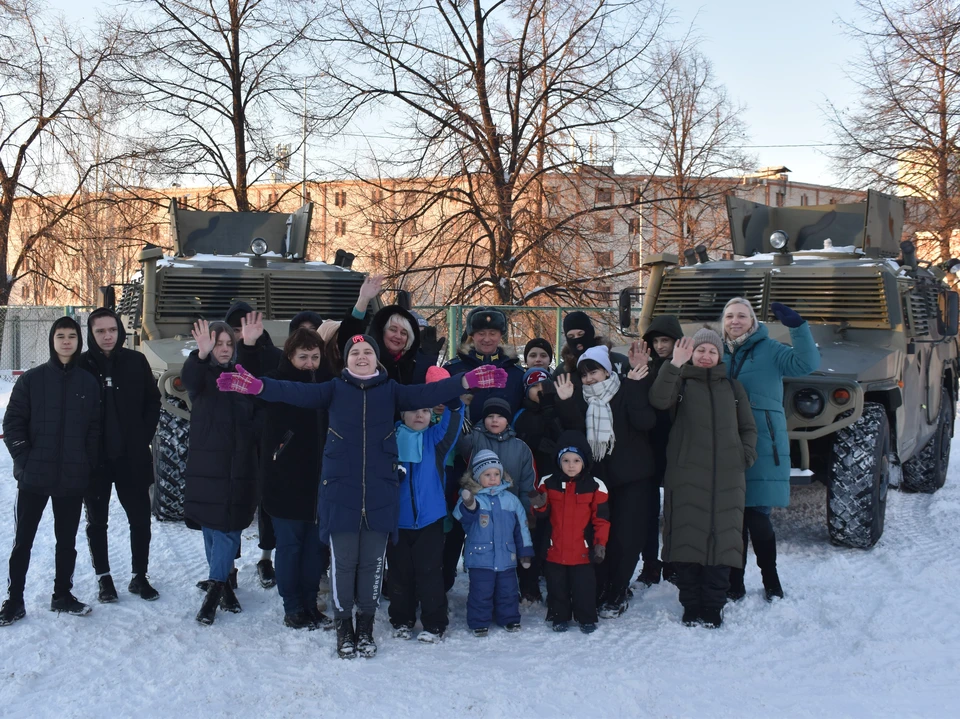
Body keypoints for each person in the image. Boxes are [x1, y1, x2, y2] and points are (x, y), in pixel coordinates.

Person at [216, 334, 507, 658]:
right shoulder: (334, 389)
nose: (362, 356)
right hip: (342, 496)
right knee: (343, 567)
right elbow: (295, 391)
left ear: (377, 358)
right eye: (355, 352)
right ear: (346, 359)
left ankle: (365, 628)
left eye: (368, 351)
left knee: (371, 567)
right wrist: (259, 387)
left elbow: (429, 392)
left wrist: (464, 379)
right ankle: (345, 628)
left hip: (381, 497)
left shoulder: (390, 391)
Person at [649, 329, 758, 627]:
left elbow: (748, 428)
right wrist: (675, 364)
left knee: (723, 541)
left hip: (727, 475)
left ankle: (713, 605)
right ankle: (690, 603)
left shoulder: (733, 389)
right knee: (688, 536)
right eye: (700, 351)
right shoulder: (680, 384)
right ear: (692, 354)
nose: (706, 356)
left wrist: (743, 455)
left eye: (712, 351)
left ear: (719, 355)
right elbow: (658, 400)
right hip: (687, 473)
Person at [1, 317, 101, 625]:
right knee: (23, 541)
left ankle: (62, 595)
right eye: (61, 336)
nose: (67, 341)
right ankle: (14, 599)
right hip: (33, 477)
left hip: (71, 477)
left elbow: (94, 430)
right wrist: (25, 459)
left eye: (72, 336)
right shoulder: (32, 380)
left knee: (66, 541)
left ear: (79, 341)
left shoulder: (87, 382)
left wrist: (86, 463)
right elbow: (13, 422)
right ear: (52, 340)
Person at [721, 298, 819, 601]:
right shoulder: (716, 351)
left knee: (758, 517)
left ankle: (771, 580)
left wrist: (798, 328)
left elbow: (807, 364)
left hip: (764, 444)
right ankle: (734, 582)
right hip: (726, 445)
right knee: (732, 520)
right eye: (729, 316)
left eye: (741, 316)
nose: (735, 321)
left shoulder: (770, 349)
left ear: (752, 321)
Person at [554, 345, 656, 619]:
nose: (589, 379)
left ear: (607, 370)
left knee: (627, 539)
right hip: (598, 482)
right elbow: (575, 434)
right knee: (599, 539)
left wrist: (636, 387)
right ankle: (600, 589)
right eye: (584, 374)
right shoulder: (581, 398)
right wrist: (565, 402)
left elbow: (645, 421)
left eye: (594, 371)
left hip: (633, 479)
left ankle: (618, 590)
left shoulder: (627, 387)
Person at [80, 308, 162, 604]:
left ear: (120, 331)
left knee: (140, 519)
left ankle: (140, 576)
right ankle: (104, 579)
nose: (106, 336)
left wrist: (141, 436)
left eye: (111, 330)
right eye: (100, 331)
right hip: (95, 461)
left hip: (131, 457)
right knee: (97, 522)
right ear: (91, 333)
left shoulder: (135, 361)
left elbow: (154, 402)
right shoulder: (81, 365)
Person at [442, 306, 526, 590]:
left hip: (502, 462)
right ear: (471, 335)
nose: (487, 338)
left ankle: (507, 581)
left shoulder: (515, 373)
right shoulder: (454, 370)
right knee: (457, 516)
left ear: (500, 335)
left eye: (492, 333)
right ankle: (444, 580)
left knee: (503, 520)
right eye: (481, 333)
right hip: (461, 457)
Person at [182, 320, 259, 625]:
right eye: (219, 344)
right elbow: (190, 380)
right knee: (212, 525)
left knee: (229, 527)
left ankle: (214, 592)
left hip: (239, 463)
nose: (225, 350)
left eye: (229, 344)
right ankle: (224, 585)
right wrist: (200, 355)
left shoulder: (243, 375)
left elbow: (259, 402)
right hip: (208, 462)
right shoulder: (203, 376)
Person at [258, 328, 334, 630]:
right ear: (290, 356)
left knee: (315, 549)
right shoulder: (275, 382)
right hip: (285, 480)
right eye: (303, 357)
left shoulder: (327, 384)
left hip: (319, 483)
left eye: (315, 356)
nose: (310, 363)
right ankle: (293, 607)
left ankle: (310, 601)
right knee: (290, 547)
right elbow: (253, 382)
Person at [389, 366, 464, 643]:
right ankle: (401, 619)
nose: (420, 415)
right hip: (397, 522)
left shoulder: (435, 440)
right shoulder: (390, 440)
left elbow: (454, 420)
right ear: (402, 414)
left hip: (430, 522)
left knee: (430, 573)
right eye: (413, 410)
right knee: (399, 574)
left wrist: (450, 392)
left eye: (425, 411)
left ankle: (434, 623)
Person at [531, 431, 610, 633]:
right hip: (555, 549)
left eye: (576, 460)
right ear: (559, 461)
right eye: (566, 460)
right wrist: (538, 504)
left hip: (583, 551)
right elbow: (541, 514)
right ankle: (559, 616)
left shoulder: (595, 486)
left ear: (584, 462)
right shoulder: (547, 483)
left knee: (584, 587)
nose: (571, 465)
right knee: (557, 587)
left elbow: (601, 519)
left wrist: (600, 544)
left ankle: (586, 618)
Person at [454, 450, 534, 637]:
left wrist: (525, 552)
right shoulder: (472, 499)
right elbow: (461, 517)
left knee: (508, 591)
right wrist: (470, 506)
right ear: (477, 477)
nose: (492, 478)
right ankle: (479, 622)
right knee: (481, 592)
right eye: (487, 475)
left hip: (507, 556)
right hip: (481, 557)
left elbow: (521, 528)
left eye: (496, 474)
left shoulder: (511, 501)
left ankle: (509, 618)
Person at [635, 314, 684, 587]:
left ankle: (674, 562)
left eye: (666, 340)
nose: (661, 346)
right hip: (651, 445)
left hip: (678, 445)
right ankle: (651, 562)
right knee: (649, 509)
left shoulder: (686, 368)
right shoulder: (648, 367)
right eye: (656, 341)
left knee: (677, 509)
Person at [340, 274, 444, 385]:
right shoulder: (368, 358)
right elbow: (348, 336)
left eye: (404, 333)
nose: (398, 336)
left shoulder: (409, 366)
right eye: (393, 330)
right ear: (382, 331)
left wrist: (427, 359)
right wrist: (363, 299)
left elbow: (418, 392)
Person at [554, 311, 630, 384]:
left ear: (590, 333)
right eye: (571, 336)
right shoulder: (562, 371)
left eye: (580, 334)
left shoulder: (619, 362)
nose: (576, 339)